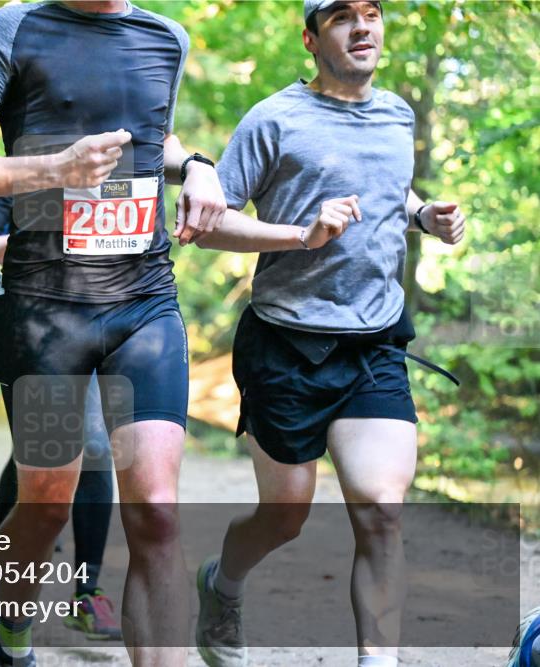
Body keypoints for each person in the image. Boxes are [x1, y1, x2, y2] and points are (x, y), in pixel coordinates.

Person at [0, 1, 227, 664]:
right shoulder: (15, 28)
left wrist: (198, 165)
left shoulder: (166, 38)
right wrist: (55, 169)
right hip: (45, 309)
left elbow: (157, 139)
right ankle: (9, 629)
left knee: (157, 512)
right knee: (47, 504)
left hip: (144, 300)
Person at [191, 2, 465, 666]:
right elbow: (208, 221)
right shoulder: (275, 119)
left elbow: (385, 191)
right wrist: (300, 235)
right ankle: (221, 584)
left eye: (372, 14)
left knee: (381, 509)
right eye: (343, 17)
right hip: (285, 344)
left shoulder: (398, 115)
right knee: (285, 515)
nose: (363, 27)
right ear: (312, 38)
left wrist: (422, 213)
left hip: (372, 341)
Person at [0, 197, 122, 641]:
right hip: (25, 322)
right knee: (34, 453)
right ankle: (7, 553)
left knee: (94, 446)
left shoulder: (110, 180)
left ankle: (87, 591)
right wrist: (40, 238)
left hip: (94, 315)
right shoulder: (16, 179)